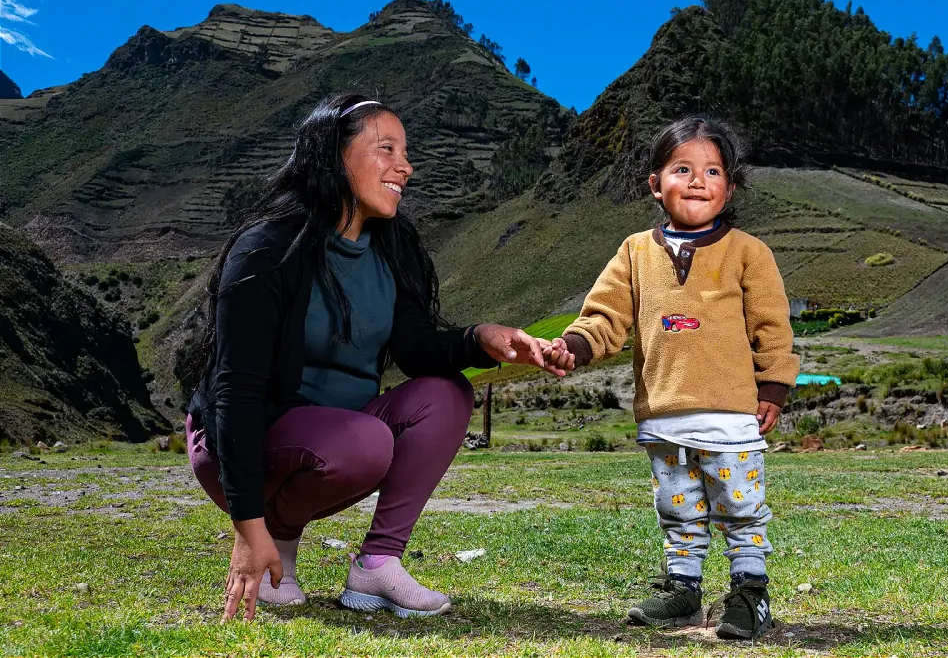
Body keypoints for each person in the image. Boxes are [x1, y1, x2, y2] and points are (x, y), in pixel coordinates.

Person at [182, 94, 561, 622]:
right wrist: (249, 530)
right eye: (386, 149)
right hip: (238, 441)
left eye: (405, 153)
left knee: (447, 393)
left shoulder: (391, 248)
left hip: (340, 440)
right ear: (334, 156)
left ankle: (377, 565)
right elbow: (235, 391)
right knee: (365, 441)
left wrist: (481, 338)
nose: (405, 167)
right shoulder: (268, 249)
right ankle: (276, 547)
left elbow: (415, 349)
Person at [543, 115, 799, 639]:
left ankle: (750, 596)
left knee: (741, 512)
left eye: (713, 170)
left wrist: (774, 386)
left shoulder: (749, 252)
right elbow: (604, 316)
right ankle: (681, 593)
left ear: (729, 187)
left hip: (732, 416)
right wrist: (572, 345)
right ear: (656, 185)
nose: (699, 180)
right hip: (664, 415)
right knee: (678, 511)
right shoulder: (636, 251)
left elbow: (773, 328)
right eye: (682, 168)